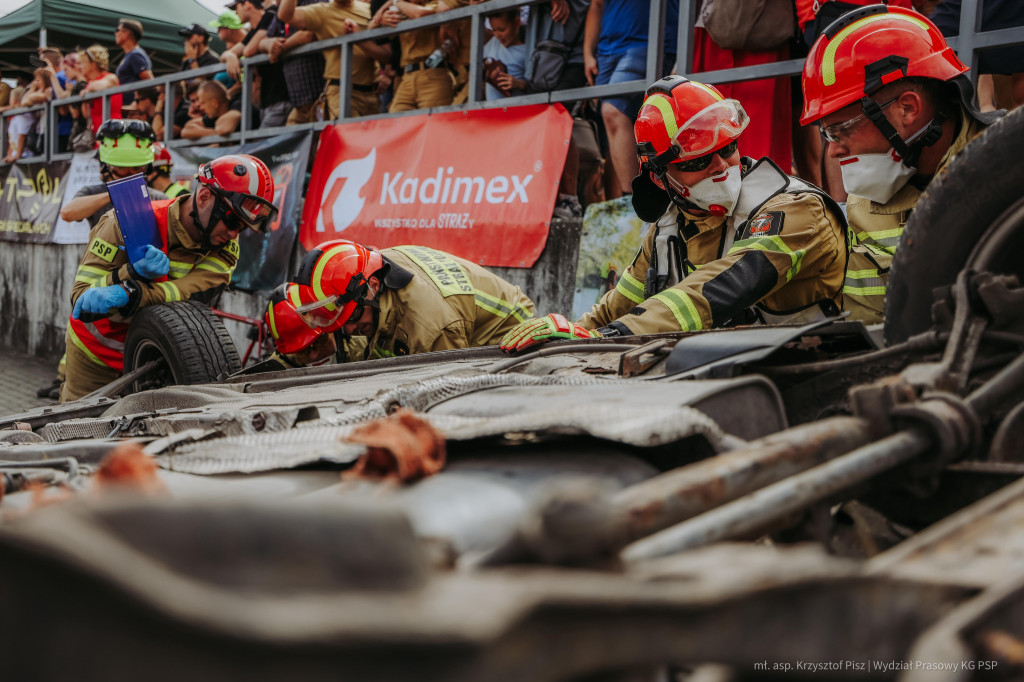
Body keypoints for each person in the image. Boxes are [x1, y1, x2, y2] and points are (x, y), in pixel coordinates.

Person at [500, 76, 847, 353]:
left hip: (815, 374)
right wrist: (570, 333)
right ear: (658, 176)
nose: (722, 166)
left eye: (727, 147)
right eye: (697, 161)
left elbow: (716, 289)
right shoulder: (668, 229)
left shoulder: (796, 208)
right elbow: (614, 309)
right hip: (730, 379)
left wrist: (608, 336)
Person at [800, 5, 1000, 324]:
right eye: (826, 134)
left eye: (842, 130)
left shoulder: (1007, 168)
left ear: (907, 109)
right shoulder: (863, 206)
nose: (833, 152)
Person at [61, 154, 277, 401]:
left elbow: (187, 294)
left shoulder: (226, 247)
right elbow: (80, 299)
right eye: (230, 219)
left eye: (241, 226)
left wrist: (132, 291)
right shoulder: (122, 222)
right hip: (95, 354)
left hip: (155, 357)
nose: (232, 233)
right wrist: (130, 273)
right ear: (204, 197)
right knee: (79, 428)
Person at [292, 240, 535, 359]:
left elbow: (446, 396)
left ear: (373, 287)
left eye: (353, 316)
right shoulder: (371, 268)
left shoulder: (430, 329)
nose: (351, 329)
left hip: (508, 336)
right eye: (341, 322)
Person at [584, 0, 679, 199]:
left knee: (613, 112)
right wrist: (587, 54)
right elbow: (597, 4)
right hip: (607, 49)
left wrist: (683, 53)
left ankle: (637, 203)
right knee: (613, 129)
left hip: (650, 42)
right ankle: (626, 205)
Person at [278, 0, 386, 119]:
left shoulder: (368, 8)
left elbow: (387, 50)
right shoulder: (322, 11)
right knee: (345, 135)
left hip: (372, 93)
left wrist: (387, 73)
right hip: (342, 93)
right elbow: (285, 15)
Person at [482, 10, 527, 101]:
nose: (497, 35)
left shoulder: (527, 51)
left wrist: (519, 84)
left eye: (502, 30)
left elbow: (537, 87)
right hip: (493, 111)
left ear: (517, 23)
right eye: (493, 30)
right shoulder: (492, 43)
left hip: (517, 109)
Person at [79, 45, 122, 135]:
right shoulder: (90, 83)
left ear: (93, 64)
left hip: (112, 130)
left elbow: (100, 85)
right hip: (96, 132)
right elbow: (85, 114)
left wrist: (88, 89)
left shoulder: (110, 78)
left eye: (82, 63)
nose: (80, 67)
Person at [114, 18, 153, 105]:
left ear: (126, 33)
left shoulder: (135, 55)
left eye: (118, 30)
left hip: (133, 110)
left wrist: (137, 103)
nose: (115, 33)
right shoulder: (130, 55)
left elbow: (150, 82)